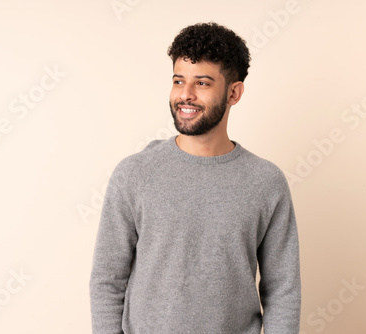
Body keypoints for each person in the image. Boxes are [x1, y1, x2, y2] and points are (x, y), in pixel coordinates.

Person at [90, 22, 301, 334]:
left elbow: (284, 289)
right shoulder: (134, 174)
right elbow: (107, 279)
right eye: (178, 81)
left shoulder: (266, 183)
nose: (185, 95)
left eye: (201, 83)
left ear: (234, 92)